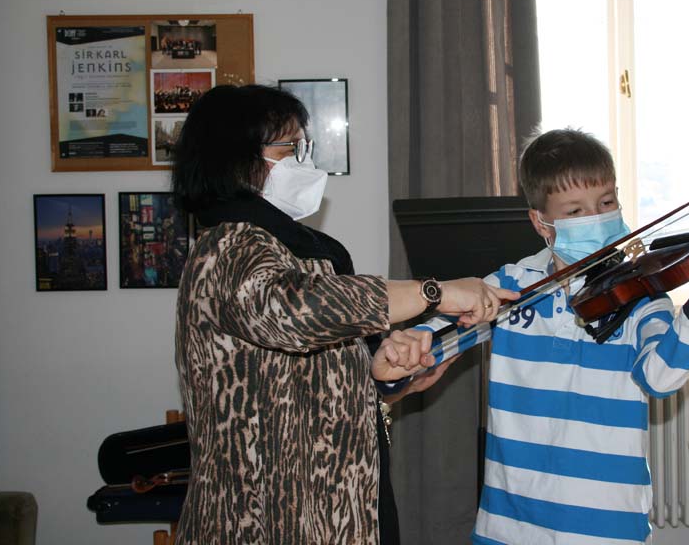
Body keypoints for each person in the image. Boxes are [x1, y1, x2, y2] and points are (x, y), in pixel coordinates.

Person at [170, 84, 517, 545]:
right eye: (290, 149)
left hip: (335, 509)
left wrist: (385, 379)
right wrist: (435, 293)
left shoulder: (292, 252)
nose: (304, 162)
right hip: (262, 521)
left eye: (304, 147)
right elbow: (297, 312)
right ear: (236, 160)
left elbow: (308, 387)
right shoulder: (227, 248)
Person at [418, 128, 689, 544]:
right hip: (508, 526)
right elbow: (440, 338)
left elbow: (660, 377)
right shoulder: (511, 285)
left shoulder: (640, 297)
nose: (597, 218)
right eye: (575, 211)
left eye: (606, 202)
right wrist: (413, 344)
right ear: (541, 222)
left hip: (606, 529)